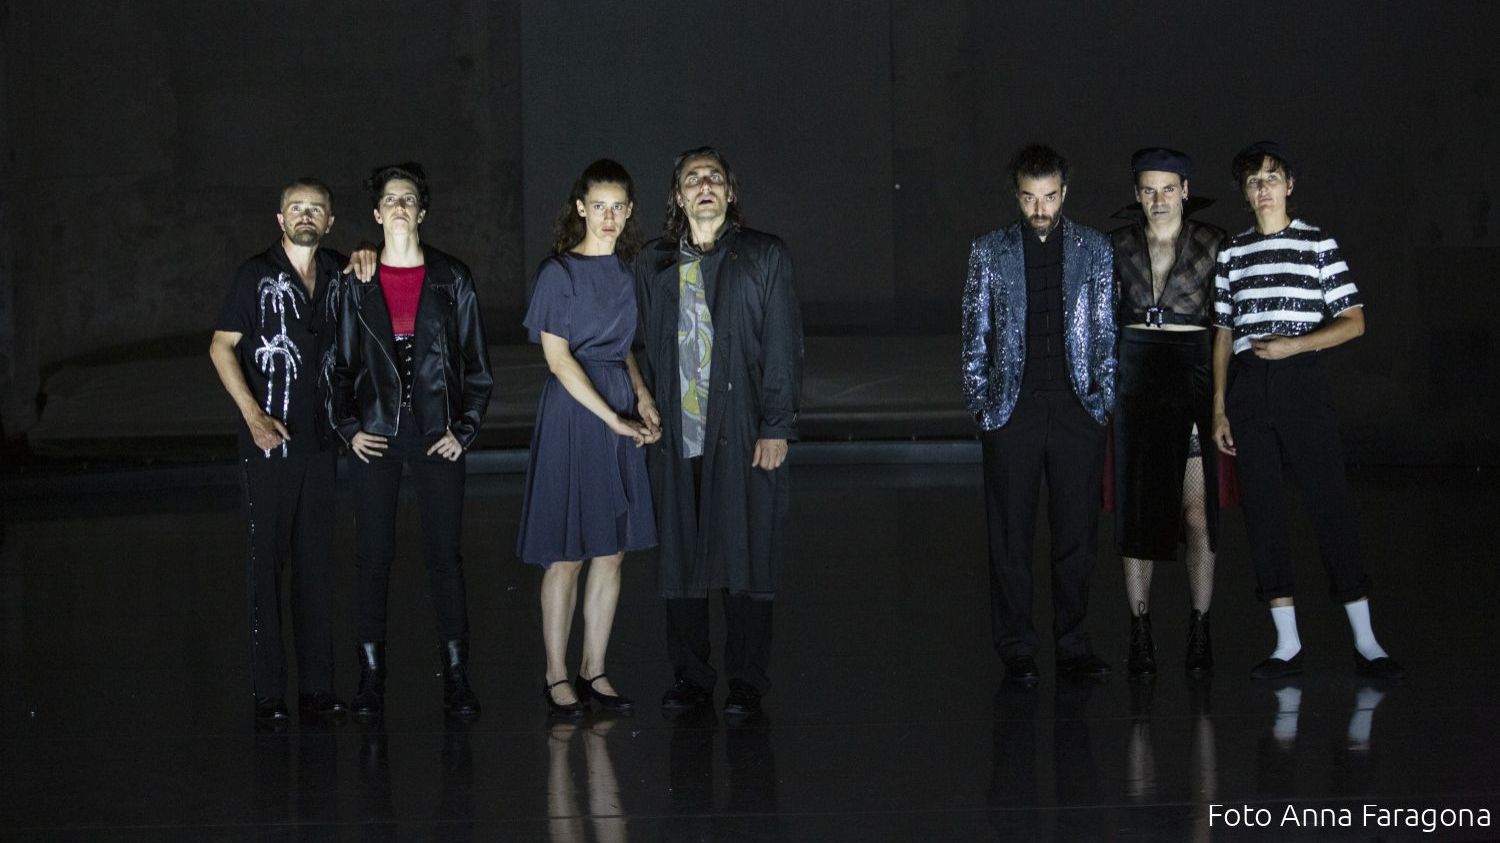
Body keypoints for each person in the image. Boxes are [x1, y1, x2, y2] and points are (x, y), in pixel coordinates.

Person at [1212, 141, 1402, 680]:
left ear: (1289, 185)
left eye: (1272, 177)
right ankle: (1287, 644)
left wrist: (1295, 346)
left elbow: (1354, 321)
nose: (1263, 188)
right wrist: (1220, 406)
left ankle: (1366, 641)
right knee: (1263, 511)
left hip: (1301, 381)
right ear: (1245, 192)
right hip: (1249, 386)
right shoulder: (1233, 253)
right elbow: (1223, 333)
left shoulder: (1317, 243)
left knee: (1329, 503)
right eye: (1253, 181)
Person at [633, 146, 803, 717]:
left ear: (730, 191)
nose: (703, 185)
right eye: (692, 179)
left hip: (744, 430)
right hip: (677, 433)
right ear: (678, 196)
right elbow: (637, 343)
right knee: (680, 555)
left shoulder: (763, 255)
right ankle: (691, 677)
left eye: (713, 177)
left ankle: (747, 680)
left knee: (747, 551)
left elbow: (783, 343)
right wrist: (641, 404)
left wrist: (776, 425)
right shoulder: (655, 262)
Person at [331, 162, 495, 718]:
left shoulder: (452, 278)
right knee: (372, 556)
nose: (399, 206)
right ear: (377, 214)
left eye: (408, 199)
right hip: (377, 435)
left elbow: (478, 367)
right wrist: (349, 428)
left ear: (421, 212)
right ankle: (370, 681)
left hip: (435, 433)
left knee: (444, 554)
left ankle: (457, 678)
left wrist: (463, 430)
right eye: (390, 199)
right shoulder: (355, 281)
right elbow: (339, 365)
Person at [209, 177, 374, 723]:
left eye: (316, 209)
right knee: (266, 567)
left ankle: (317, 689)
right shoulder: (254, 275)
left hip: (321, 442)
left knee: (315, 566)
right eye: (296, 208)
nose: (306, 215)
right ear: (280, 220)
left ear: (329, 221)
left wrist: (365, 252)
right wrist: (253, 416)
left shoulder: (338, 271)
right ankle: (269, 694)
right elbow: (221, 347)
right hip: (269, 442)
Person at [962, 143, 1117, 686]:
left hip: (1077, 411)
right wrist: (985, 410)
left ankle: (1073, 645)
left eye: (1049, 197)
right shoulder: (990, 251)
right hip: (1014, 413)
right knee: (1010, 537)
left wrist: (1102, 403)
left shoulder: (1095, 248)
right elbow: (974, 336)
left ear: (1064, 192)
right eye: (1030, 198)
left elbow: (1106, 331)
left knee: (1077, 536)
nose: (1040, 209)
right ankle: (1017, 650)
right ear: (1017, 195)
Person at [517, 159, 660, 717]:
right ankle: (556, 675)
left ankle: (594, 670)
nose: (608, 217)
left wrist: (641, 396)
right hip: (576, 414)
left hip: (617, 403)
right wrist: (613, 418)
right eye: (598, 206)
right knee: (567, 554)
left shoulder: (626, 271)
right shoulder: (559, 273)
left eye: (618, 207)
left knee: (611, 552)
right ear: (580, 207)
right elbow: (558, 360)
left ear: (629, 211)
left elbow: (622, 348)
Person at [1109, 148, 1224, 678]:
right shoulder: (1117, 244)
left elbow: (1227, 323)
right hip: (1136, 373)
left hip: (1192, 371)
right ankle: (1140, 629)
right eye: (1149, 190)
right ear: (1137, 194)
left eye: (1168, 188)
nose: (1159, 199)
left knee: (1196, 513)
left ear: (1185, 190)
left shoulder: (1213, 242)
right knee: (1138, 511)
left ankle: (1200, 626)